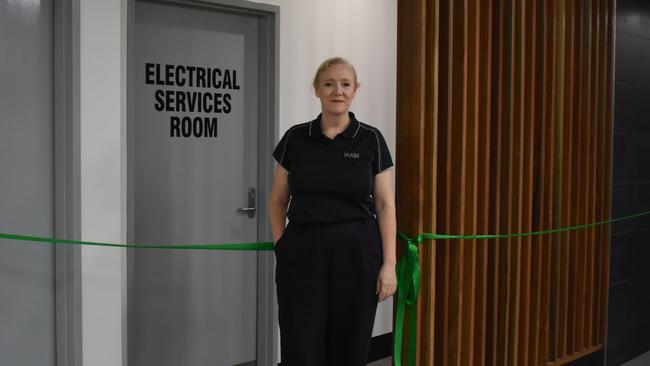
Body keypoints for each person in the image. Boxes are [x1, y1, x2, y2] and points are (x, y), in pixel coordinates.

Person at [269, 57, 397, 366]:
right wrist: (282, 246)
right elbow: (276, 201)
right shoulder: (295, 138)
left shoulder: (371, 139)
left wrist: (389, 264)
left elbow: (384, 204)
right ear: (317, 90)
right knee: (300, 344)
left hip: (357, 251)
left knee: (350, 345)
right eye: (329, 84)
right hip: (302, 251)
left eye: (345, 84)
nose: (337, 90)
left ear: (354, 91)